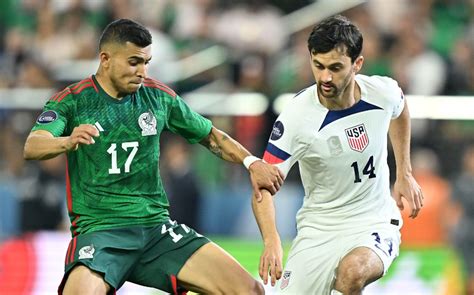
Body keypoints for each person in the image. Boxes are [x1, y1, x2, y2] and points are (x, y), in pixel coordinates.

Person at [23, 19, 284, 295]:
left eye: (147, 62)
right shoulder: (73, 101)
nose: (142, 72)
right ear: (105, 59)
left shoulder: (158, 97)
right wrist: (68, 140)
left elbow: (211, 136)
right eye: (134, 62)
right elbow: (33, 145)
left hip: (156, 230)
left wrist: (251, 162)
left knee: (249, 291)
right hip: (102, 232)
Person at [252, 15, 423, 294]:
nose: (325, 77)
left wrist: (404, 172)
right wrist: (271, 241)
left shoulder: (381, 92)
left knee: (352, 272)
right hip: (319, 229)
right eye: (318, 66)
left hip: (374, 219)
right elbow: (262, 184)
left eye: (335, 68)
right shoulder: (297, 117)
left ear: (357, 64)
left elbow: (401, 109)